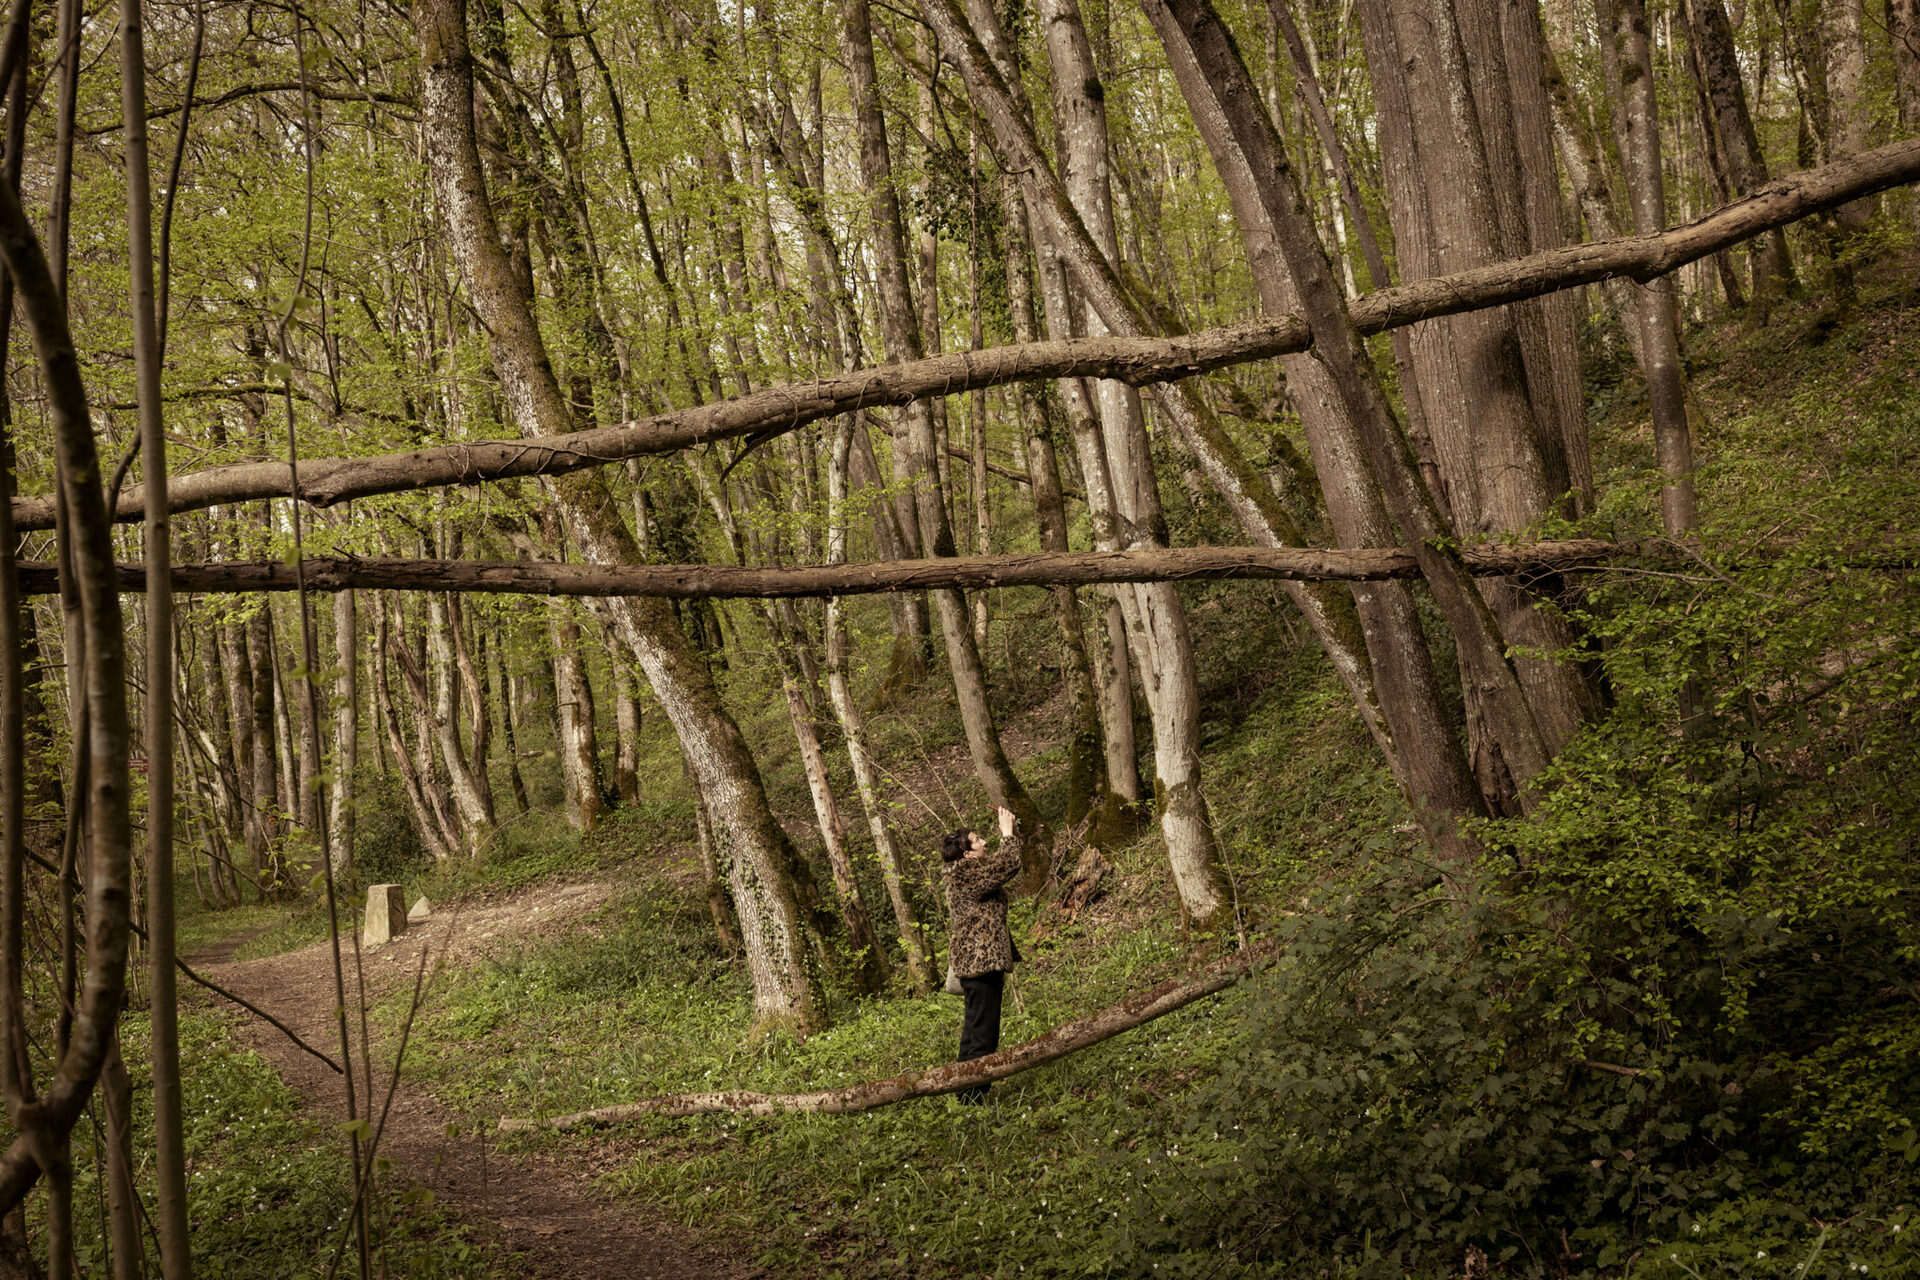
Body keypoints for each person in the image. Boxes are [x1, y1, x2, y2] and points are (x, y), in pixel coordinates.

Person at [941, 805, 1022, 1105]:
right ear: (967, 854)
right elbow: (1007, 867)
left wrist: (1012, 833)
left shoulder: (970, 873)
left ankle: (965, 1094)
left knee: (975, 1031)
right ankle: (972, 1099)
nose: (984, 842)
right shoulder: (964, 875)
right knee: (982, 1035)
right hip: (980, 964)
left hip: (982, 964)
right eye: (978, 840)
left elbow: (1002, 867)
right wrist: (1007, 834)